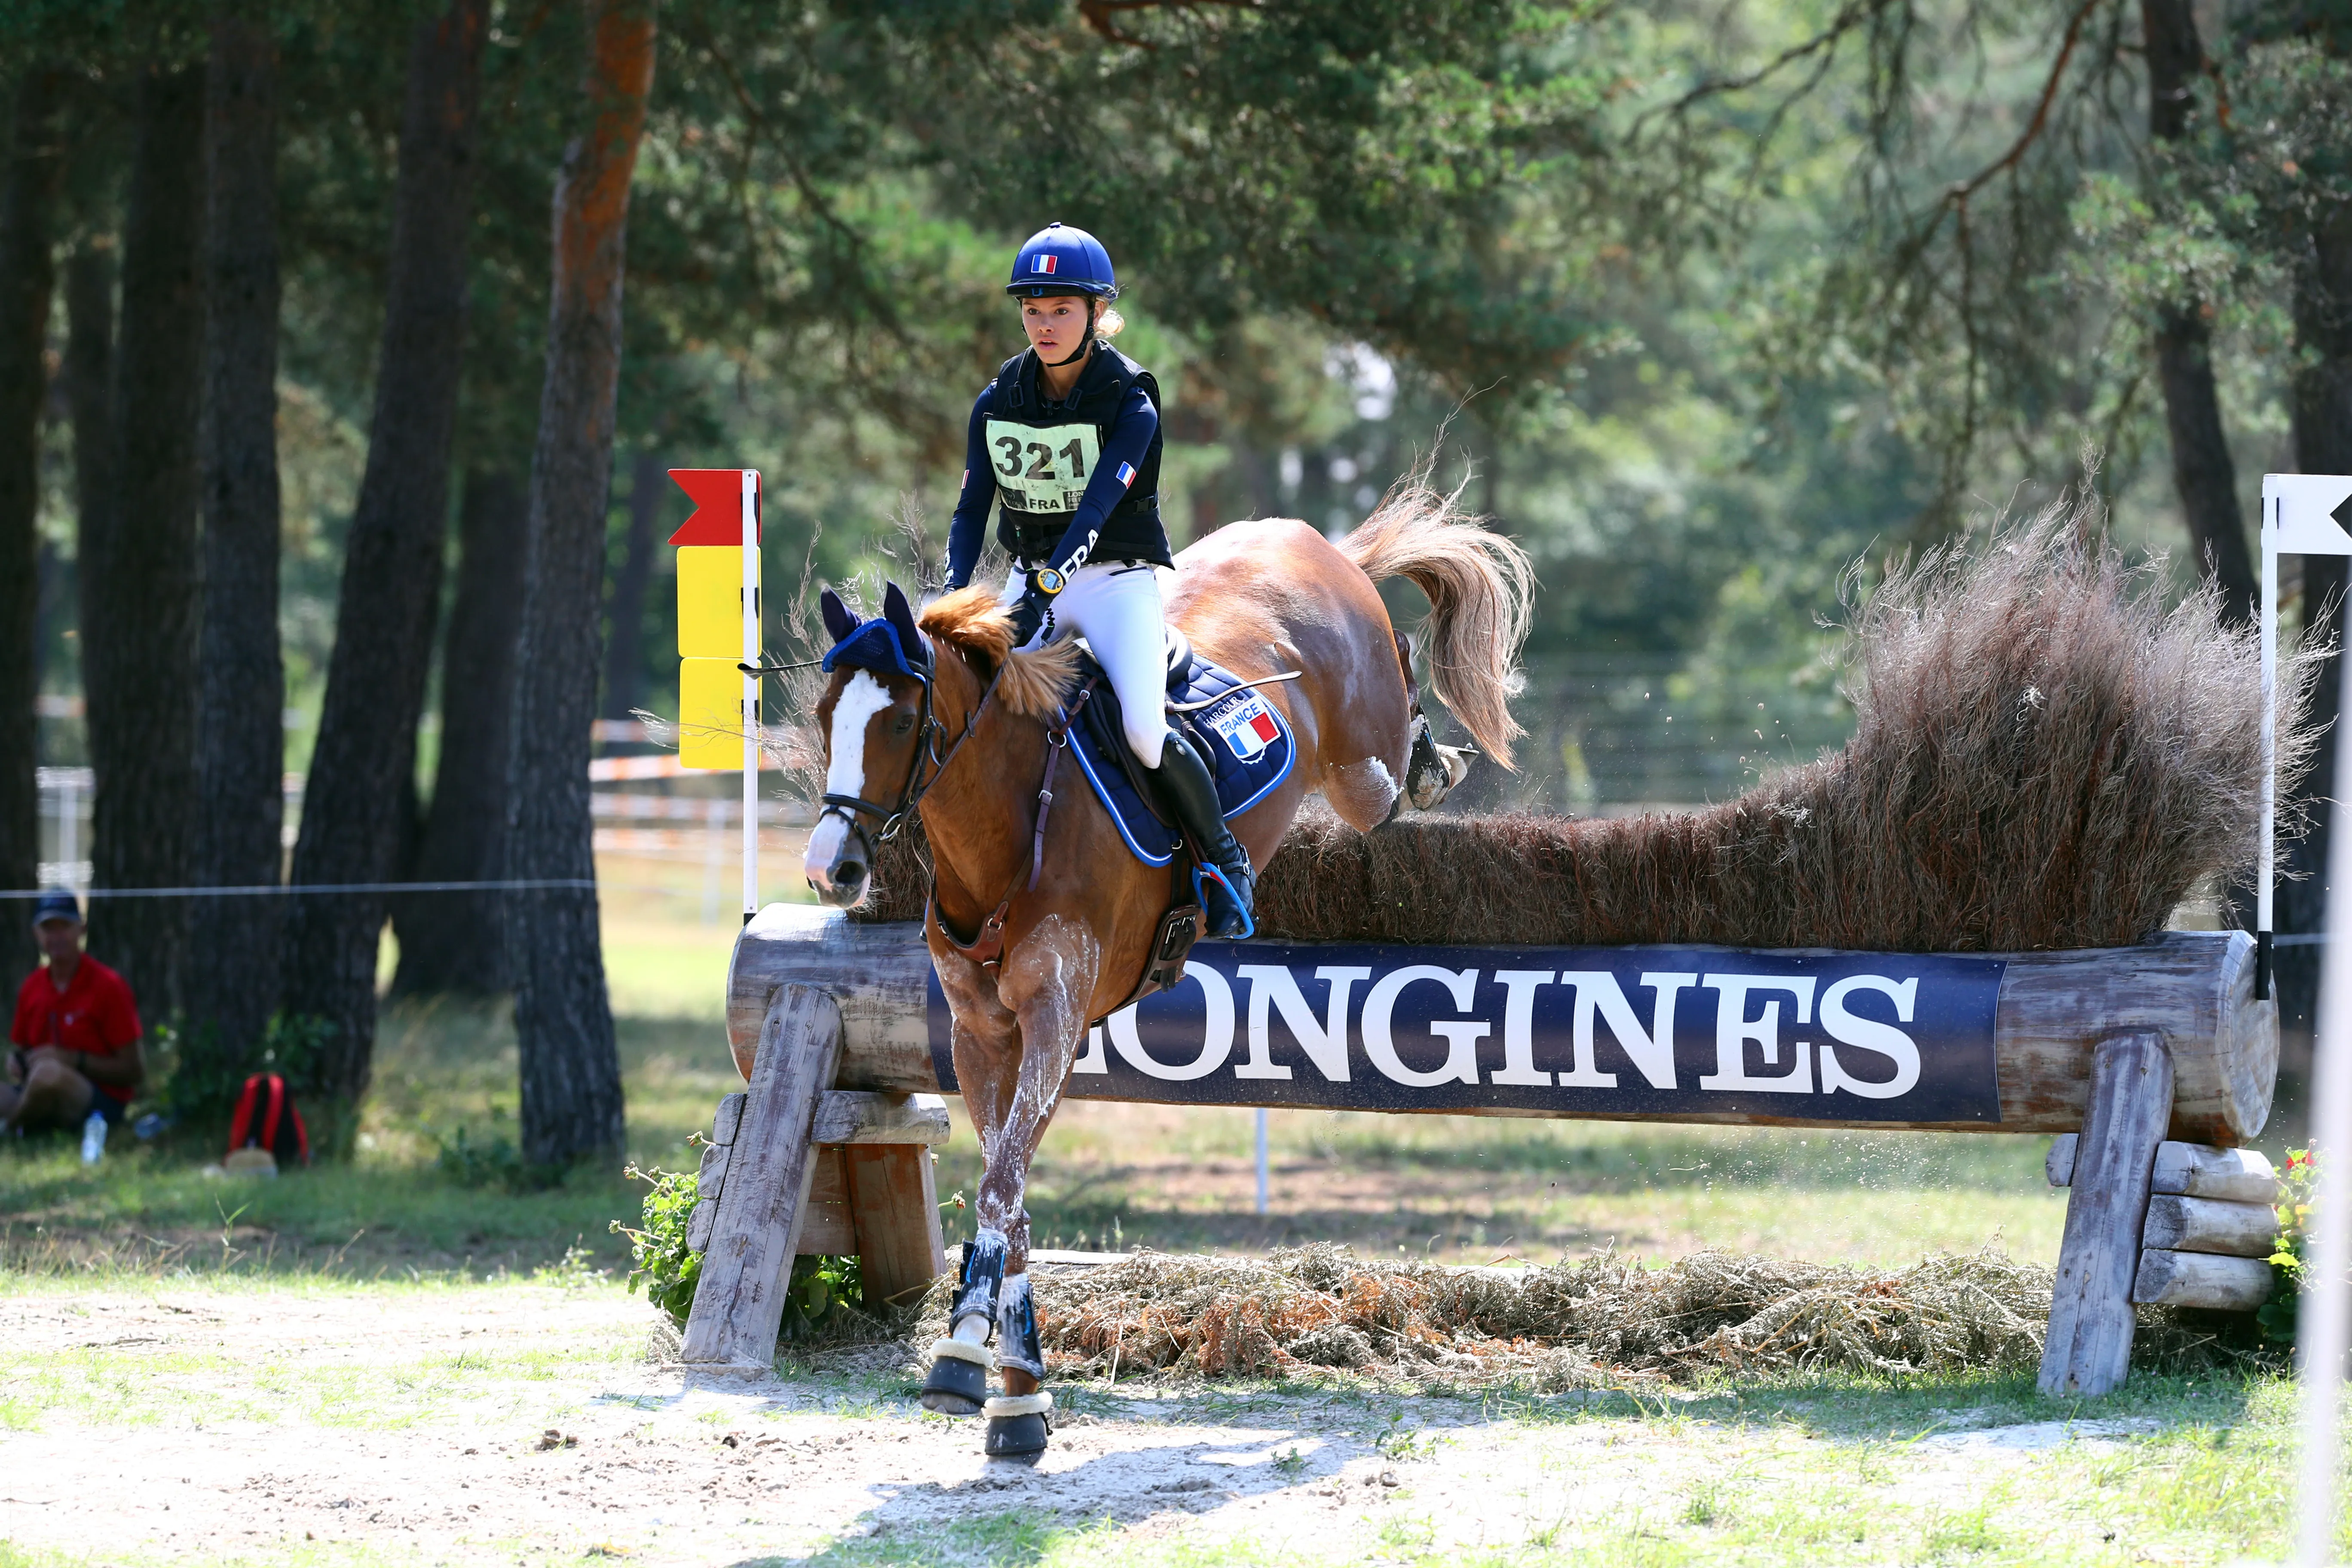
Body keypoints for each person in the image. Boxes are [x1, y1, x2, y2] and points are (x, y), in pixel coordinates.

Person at [941, 220, 1256, 937]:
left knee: (1144, 730)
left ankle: (1224, 860)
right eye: (1032, 309)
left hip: (1113, 583)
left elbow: (1097, 506)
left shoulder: (1130, 402)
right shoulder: (997, 402)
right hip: (1034, 581)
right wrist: (955, 596)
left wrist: (1054, 580)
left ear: (1095, 313)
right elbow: (969, 511)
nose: (1043, 324)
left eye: (1060, 309)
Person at [5, 891, 144, 1136]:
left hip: (98, 1099)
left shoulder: (109, 986)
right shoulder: (32, 986)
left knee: (49, 1073)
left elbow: (134, 1071)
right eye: (49, 929)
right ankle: (29, 1122)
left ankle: (12, 1130)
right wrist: (16, 1062)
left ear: (82, 929)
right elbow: (22, 1050)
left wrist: (72, 1059)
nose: (57, 937)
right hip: (38, 1090)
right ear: (36, 934)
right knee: (41, 1075)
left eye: (65, 927)